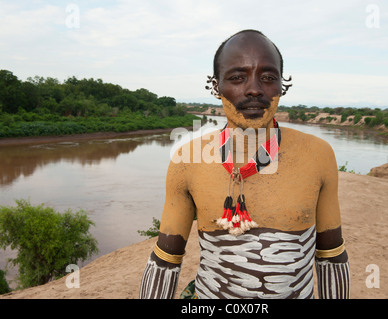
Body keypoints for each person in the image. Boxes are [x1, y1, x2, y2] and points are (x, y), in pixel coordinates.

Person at [139, 29, 350, 299]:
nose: (254, 89)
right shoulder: (187, 160)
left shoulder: (318, 155)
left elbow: (331, 255)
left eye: (268, 78)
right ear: (216, 87)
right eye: (238, 77)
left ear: (281, 87)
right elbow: (166, 259)